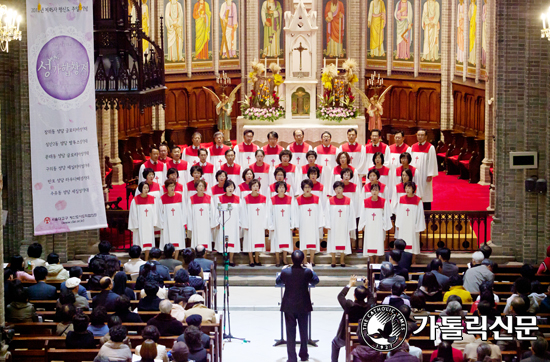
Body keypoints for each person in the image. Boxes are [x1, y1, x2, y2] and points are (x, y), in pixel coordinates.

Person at [276, 250, 320, 362]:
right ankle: (304, 354)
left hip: (289, 306)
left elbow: (278, 281)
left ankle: (292, 358)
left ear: (291, 260)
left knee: (290, 333)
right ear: (302, 260)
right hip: (303, 305)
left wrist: (282, 271)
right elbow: (316, 281)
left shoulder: (285, 272)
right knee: (303, 331)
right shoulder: (307, 272)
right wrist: (312, 270)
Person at [331, 275, 373, 362]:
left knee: (335, 343)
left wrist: (349, 284)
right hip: (364, 338)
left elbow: (340, 296)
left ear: (354, 295)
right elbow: (372, 298)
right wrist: (366, 288)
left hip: (345, 336)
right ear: (365, 297)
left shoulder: (349, 305)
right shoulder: (369, 307)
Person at [294, 179, 325, 265]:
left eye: (309, 187)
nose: (307, 189)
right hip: (303, 224)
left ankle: (312, 260)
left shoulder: (316, 198)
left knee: (313, 241)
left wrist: (320, 223)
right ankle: (304, 260)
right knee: (304, 242)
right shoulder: (299, 199)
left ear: (311, 188)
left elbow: (320, 211)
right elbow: (295, 212)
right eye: (305, 187)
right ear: (302, 188)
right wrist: (296, 224)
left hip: (313, 223)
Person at [326, 181, 356, 267]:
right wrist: (328, 224)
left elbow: (351, 214)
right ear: (334, 190)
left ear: (343, 189)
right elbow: (327, 213)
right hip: (333, 225)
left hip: (344, 225)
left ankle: (342, 260)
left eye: (340, 188)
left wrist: (350, 225)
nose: (338, 190)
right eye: (336, 188)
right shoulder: (330, 201)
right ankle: (333, 259)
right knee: (332, 241)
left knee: (343, 241)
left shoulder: (348, 200)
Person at [129, 181, 161, 260]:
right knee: (139, 242)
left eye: (147, 188)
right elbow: (133, 213)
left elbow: (154, 211)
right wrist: (135, 224)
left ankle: (146, 258)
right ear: (140, 189)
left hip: (148, 224)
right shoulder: (135, 200)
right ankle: (138, 258)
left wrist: (154, 222)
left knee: (148, 243)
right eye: (144, 188)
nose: (146, 189)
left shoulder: (152, 199)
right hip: (140, 225)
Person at [359, 183, 391, 262]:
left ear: (379, 191)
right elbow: (363, 214)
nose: (374, 192)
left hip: (378, 225)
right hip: (369, 225)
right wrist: (363, 224)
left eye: (376, 190)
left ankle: (377, 259)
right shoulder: (366, 201)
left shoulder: (383, 201)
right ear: (370, 191)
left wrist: (384, 225)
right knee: (369, 241)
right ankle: (371, 259)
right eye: (373, 190)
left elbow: (385, 214)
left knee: (378, 241)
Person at [214, 180, 242, 266]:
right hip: (224, 223)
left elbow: (241, 212)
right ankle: (225, 258)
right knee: (224, 240)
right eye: (229, 187)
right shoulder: (220, 198)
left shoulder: (238, 199)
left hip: (234, 223)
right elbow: (217, 211)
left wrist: (240, 223)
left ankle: (231, 260)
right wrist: (217, 222)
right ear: (225, 188)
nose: (230, 188)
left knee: (233, 240)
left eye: (232, 187)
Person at [242, 179, 269, 267]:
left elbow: (265, 212)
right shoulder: (246, 198)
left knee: (258, 241)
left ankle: (257, 259)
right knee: (250, 241)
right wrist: (245, 224)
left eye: (257, 186)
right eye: (254, 186)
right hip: (250, 224)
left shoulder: (263, 198)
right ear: (250, 187)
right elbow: (243, 212)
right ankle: (251, 260)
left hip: (259, 224)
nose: (255, 188)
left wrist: (265, 225)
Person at [410, 129, 438, 210]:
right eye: (418, 135)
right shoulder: (413, 147)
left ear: (426, 137)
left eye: (422, 135)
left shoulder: (430, 147)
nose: (420, 137)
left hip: (425, 174)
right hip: (415, 174)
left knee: (426, 194)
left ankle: (427, 214)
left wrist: (430, 174)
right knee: (415, 191)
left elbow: (432, 161)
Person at [395, 181, 426, 255]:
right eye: (406, 188)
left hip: (412, 225)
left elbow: (420, 214)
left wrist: (418, 225)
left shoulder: (417, 200)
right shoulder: (401, 199)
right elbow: (398, 212)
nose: (407, 190)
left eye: (409, 188)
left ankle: (413, 261)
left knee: (413, 244)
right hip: (403, 225)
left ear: (413, 189)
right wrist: (398, 224)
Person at [269, 181, 296, 267]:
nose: (281, 189)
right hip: (276, 224)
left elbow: (293, 212)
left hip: (286, 224)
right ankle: (277, 259)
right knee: (276, 241)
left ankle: (284, 259)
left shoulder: (290, 199)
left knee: (285, 240)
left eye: (283, 187)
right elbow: (269, 213)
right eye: (280, 187)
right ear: (276, 189)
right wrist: (271, 225)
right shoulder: (272, 199)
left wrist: (292, 224)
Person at [188, 180, 217, 252]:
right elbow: (189, 213)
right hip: (196, 224)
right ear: (196, 188)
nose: (201, 188)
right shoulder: (191, 198)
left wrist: (212, 223)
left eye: (203, 186)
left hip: (206, 224)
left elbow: (212, 211)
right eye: (199, 186)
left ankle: (205, 258)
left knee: (206, 241)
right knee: (196, 241)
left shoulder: (209, 198)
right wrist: (190, 225)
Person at [159, 181, 187, 254]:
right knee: (167, 239)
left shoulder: (180, 196)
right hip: (167, 223)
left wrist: (183, 222)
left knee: (178, 240)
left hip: (178, 222)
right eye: (170, 186)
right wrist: (161, 223)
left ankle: (176, 258)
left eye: (173, 186)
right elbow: (160, 212)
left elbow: (184, 209)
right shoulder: (162, 198)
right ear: (166, 187)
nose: (172, 188)